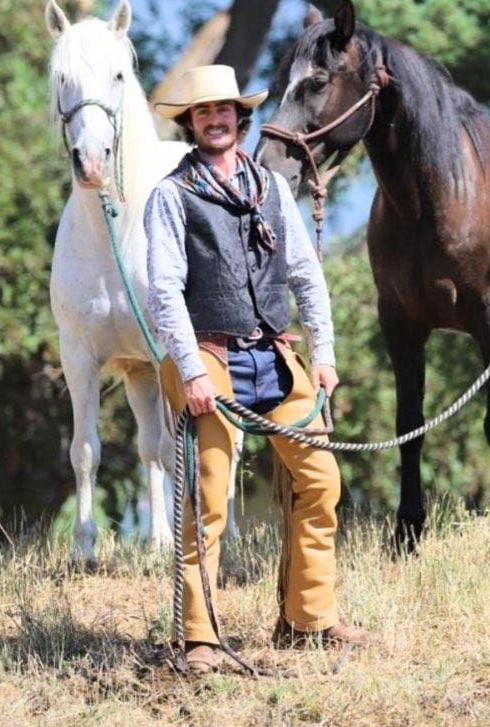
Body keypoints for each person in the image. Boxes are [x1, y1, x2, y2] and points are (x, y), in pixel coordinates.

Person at [146, 64, 366, 673]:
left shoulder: (271, 186)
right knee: (208, 495)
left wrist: (322, 355)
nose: (215, 120)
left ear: (240, 119)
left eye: (224, 111)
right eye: (202, 113)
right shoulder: (171, 196)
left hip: (275, 355)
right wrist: (190, 370)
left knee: (321, 479)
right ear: (191, 124)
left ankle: (309, 619)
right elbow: (163, 291)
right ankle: (200, 637)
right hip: (207, 358)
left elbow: (304, 274)